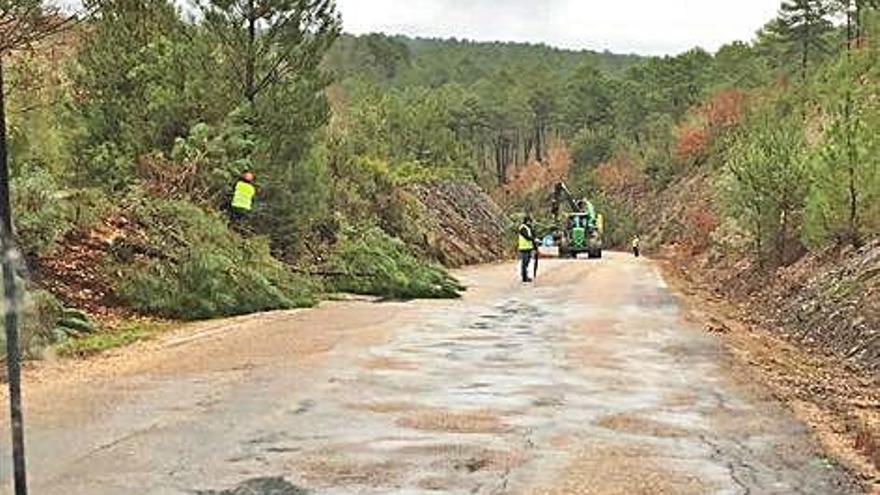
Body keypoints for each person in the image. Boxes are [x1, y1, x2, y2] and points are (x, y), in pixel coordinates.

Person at [518, 214, 537, 283]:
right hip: (523, 247)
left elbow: (532, 237)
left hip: (529, 247)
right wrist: (534, 239)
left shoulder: (529, 228)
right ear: (527, 221)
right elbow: (527, 237)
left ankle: (526, 275)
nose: (530, 222)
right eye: (529, 221)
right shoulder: (522, 228)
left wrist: (535, 246)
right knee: (524, 262)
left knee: (527, 262)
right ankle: (524, 277)